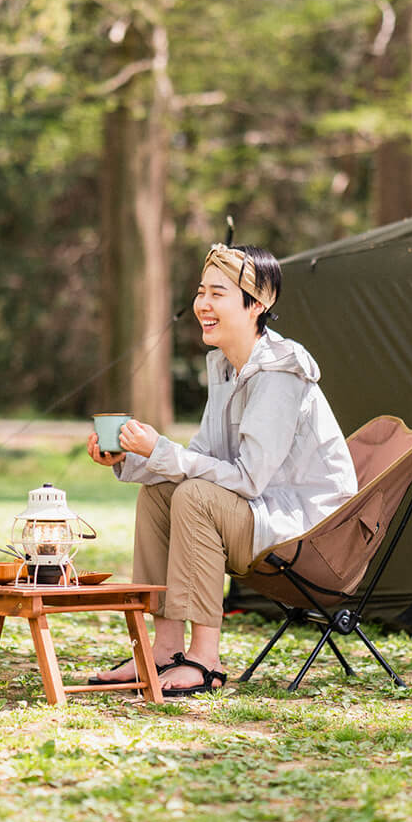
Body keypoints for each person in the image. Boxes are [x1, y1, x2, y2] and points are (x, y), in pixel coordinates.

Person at [86, 243, 358, 695]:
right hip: (261, 517)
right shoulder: (227, 368)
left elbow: (248, 479)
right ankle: (164, 649)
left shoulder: (279, 372)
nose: (202, 305)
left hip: (308, 534)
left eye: (218, 293)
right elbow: (200, 459)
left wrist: (163, 450)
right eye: (200, 291)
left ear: (259, 303)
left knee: (194, 495)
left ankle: (205, 659)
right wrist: (133, 457)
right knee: (162, 493)